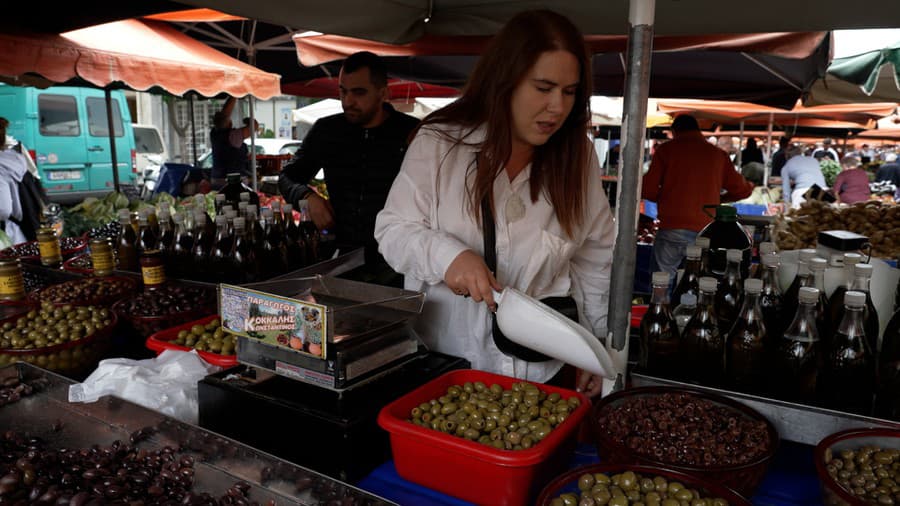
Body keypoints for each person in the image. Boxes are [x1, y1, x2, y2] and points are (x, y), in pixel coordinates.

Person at [374, 10, 615, 397]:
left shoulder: (578, 157)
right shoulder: (441, 142)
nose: (557, 106)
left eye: (569, 92)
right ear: (505, 80)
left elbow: (595, 259)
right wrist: (449, 256)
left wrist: (594, 347)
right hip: (449, 367)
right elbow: (392, 230)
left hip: (542, 371)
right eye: (543, 87)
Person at [279, 51, 419, 287]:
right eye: (343, 91)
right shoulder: (327, 130)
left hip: (399, 262)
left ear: (383, 93)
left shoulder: (412, 133)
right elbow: (287, 177)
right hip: (342, 260)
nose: (347, 101)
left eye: (359, 92)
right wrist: (306, 196)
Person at [641, 114, 754, 281]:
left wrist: (669, 197)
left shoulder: (666, 151)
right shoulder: (717, 154)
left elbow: (647, 190)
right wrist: (719, 199)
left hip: (672, 228)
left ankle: (661, 307)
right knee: (698, 283)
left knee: (662, 283)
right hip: (705, 231)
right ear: (698, 130)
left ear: (674, 131)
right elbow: (743, 190)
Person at [0, 117, 48, 243]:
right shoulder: (14, 156)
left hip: (7, 236)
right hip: (21, 231)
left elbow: (3, 210)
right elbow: (35, 176)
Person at [210, 96, 258, 189]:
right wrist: (248, 120)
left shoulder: (214, 133)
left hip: (216, 179)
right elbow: (254, 126)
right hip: (233, 180)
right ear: (230, 124)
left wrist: (234, 96)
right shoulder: (233, 135)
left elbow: (224, 116)